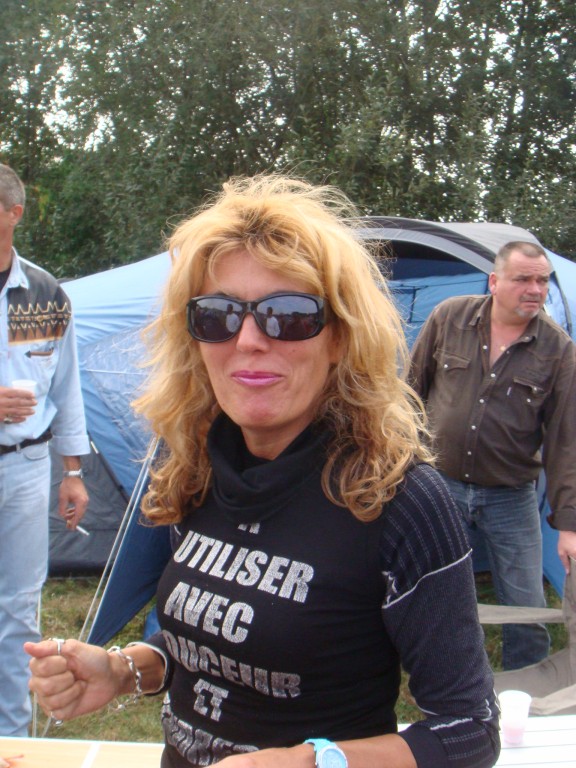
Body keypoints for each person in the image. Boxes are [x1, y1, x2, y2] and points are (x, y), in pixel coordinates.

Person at [26, 175, 499, 768]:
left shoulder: (396, 498)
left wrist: (305, 762)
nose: (248, 340)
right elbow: (216, 643)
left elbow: (469, 731)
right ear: (194, 339)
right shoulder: (191, 463)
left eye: (289, 315)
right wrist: (123, 669)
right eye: (218, 315)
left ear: (340, 338)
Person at [409, 240, 576, 671]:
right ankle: (447, 678)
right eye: (523, 279)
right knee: (435, 592)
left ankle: (527, 683)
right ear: (495, 281)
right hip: (440, 484)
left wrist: (569, 525)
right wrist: (402, 466)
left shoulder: (558, 350)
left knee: (526, 605)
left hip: (511, 496)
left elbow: (565, 441)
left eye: (542, 280)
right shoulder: (450, 317)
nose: (535, 289)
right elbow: (411, 392)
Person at [0, 164, 90, 735]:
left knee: (18, 607)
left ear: (14, 214)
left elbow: (67, 386)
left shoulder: (45, 293)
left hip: (27, 467)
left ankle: (12, 738)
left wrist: (73, 471)